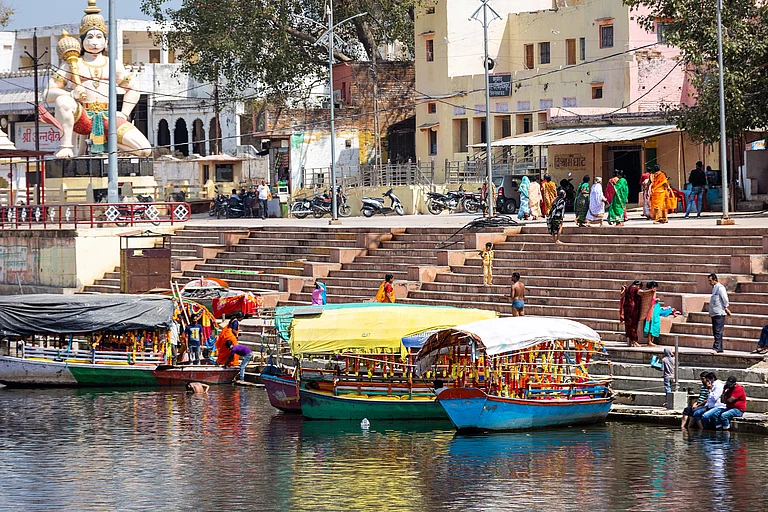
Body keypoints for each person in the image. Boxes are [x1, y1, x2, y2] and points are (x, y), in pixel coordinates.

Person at [44, 1, 151, 159]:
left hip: (109, 118)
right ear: (82, 41)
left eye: (99, 37)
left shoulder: (113, 64)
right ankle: (66, 146)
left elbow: (133, 90)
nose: (95, 42)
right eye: (90, 37)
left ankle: (113, 151)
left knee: (144, 150)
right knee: (62, 101)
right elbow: (47, 94)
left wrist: (124, 113)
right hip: (83, 117)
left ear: (106, 41)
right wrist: (71, 94)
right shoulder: (71, 64)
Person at [708, 273, 731, 354]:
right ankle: (720, 348)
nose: (710, 282)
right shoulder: (714, 288)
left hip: (719, 312)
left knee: (718, 331)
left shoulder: (720, 288)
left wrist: (726, 307)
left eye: (711, 281)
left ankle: (716, 348)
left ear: (715, 280)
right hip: (714, 313)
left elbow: (724, 298)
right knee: (716, 331)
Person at [619, 280, 642, 347]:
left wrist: (623, 289)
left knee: (627, 325)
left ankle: (628, 341)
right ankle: (634, 341)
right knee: (633, 325)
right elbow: (641, 292)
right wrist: (650, 291)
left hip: (626, 308)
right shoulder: (636, 289)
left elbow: (621, 295)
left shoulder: (627, 288)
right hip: (633, 309)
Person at [637, 281, 659, 346]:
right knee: (650, 326)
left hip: (650, 310)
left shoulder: (647, 292)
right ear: (652, 287)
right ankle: (649, 341)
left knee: (651, 326)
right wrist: (656, 300)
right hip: (650, 311)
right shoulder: (649, 292)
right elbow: (651, 301)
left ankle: (650, 341)